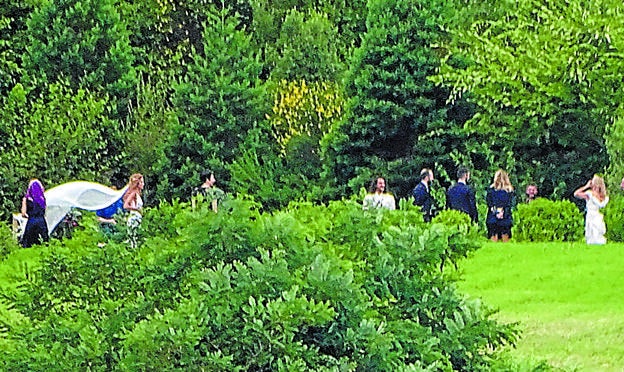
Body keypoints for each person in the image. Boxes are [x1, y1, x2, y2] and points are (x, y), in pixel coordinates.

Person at [574, 175, 609, 245]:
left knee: (592, 232)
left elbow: (576, 194)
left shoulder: (589, 194)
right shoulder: (603, 196)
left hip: (591, 215)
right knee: (596, 231)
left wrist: (586, 186)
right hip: (597, 214)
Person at [486, 169, 516, 242]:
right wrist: (503, 212)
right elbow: (511, 204)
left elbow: (489, 203)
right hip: (505, 218)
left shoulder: (491, 190)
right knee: (505, 240)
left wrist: (496, 212)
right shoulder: (510, 191)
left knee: (493, 239)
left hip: (492, 218)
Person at [20, 179, 49, 248]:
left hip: (31, 221)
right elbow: (45, 212)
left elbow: (23, 213)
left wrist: (28, 215)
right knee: (43, 243)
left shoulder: (26, 199)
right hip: (42, 222)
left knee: (29, 244)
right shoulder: (42, 199)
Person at [123, 173, 144, 247]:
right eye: (141, 182)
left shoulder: (138, 194)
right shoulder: (134, 193)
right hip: (134, 217)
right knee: (134, 241)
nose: (143, 184)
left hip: (138, 218)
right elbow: (125, 205)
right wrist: (136, 209)